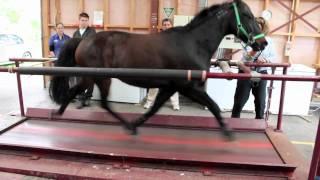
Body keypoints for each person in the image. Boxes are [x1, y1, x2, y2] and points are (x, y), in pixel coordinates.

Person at [231, 17, 277, 119]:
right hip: (246, 72)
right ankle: (234, 120)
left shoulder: (269, 41)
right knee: (240, 99)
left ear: (263, 29)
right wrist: (255, 52)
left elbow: (273, 57)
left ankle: (259, 121)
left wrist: (265, 59)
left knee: (260, 101)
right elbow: (246, 58)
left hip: (261, 73)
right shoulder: (246, 40)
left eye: (259, 28)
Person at [143, 18, 180, 111]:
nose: (166, 26)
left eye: (168, 24)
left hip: (171, 64)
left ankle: (175, 104)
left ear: (171, 26)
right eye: (165, 24)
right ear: (162, 26)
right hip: (159, 64)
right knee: (154, 84)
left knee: (173, 85)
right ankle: (149, 102)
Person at [73, 12, 96, 108]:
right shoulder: (76, 33)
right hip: (78, 60)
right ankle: (81, 98)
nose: (84, 22)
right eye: (82, 20)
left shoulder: (92, 32)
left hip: (89, 60)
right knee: (79, 79)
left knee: (90, 79)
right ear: (79, 20)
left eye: (86, 20)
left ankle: (88, 98)